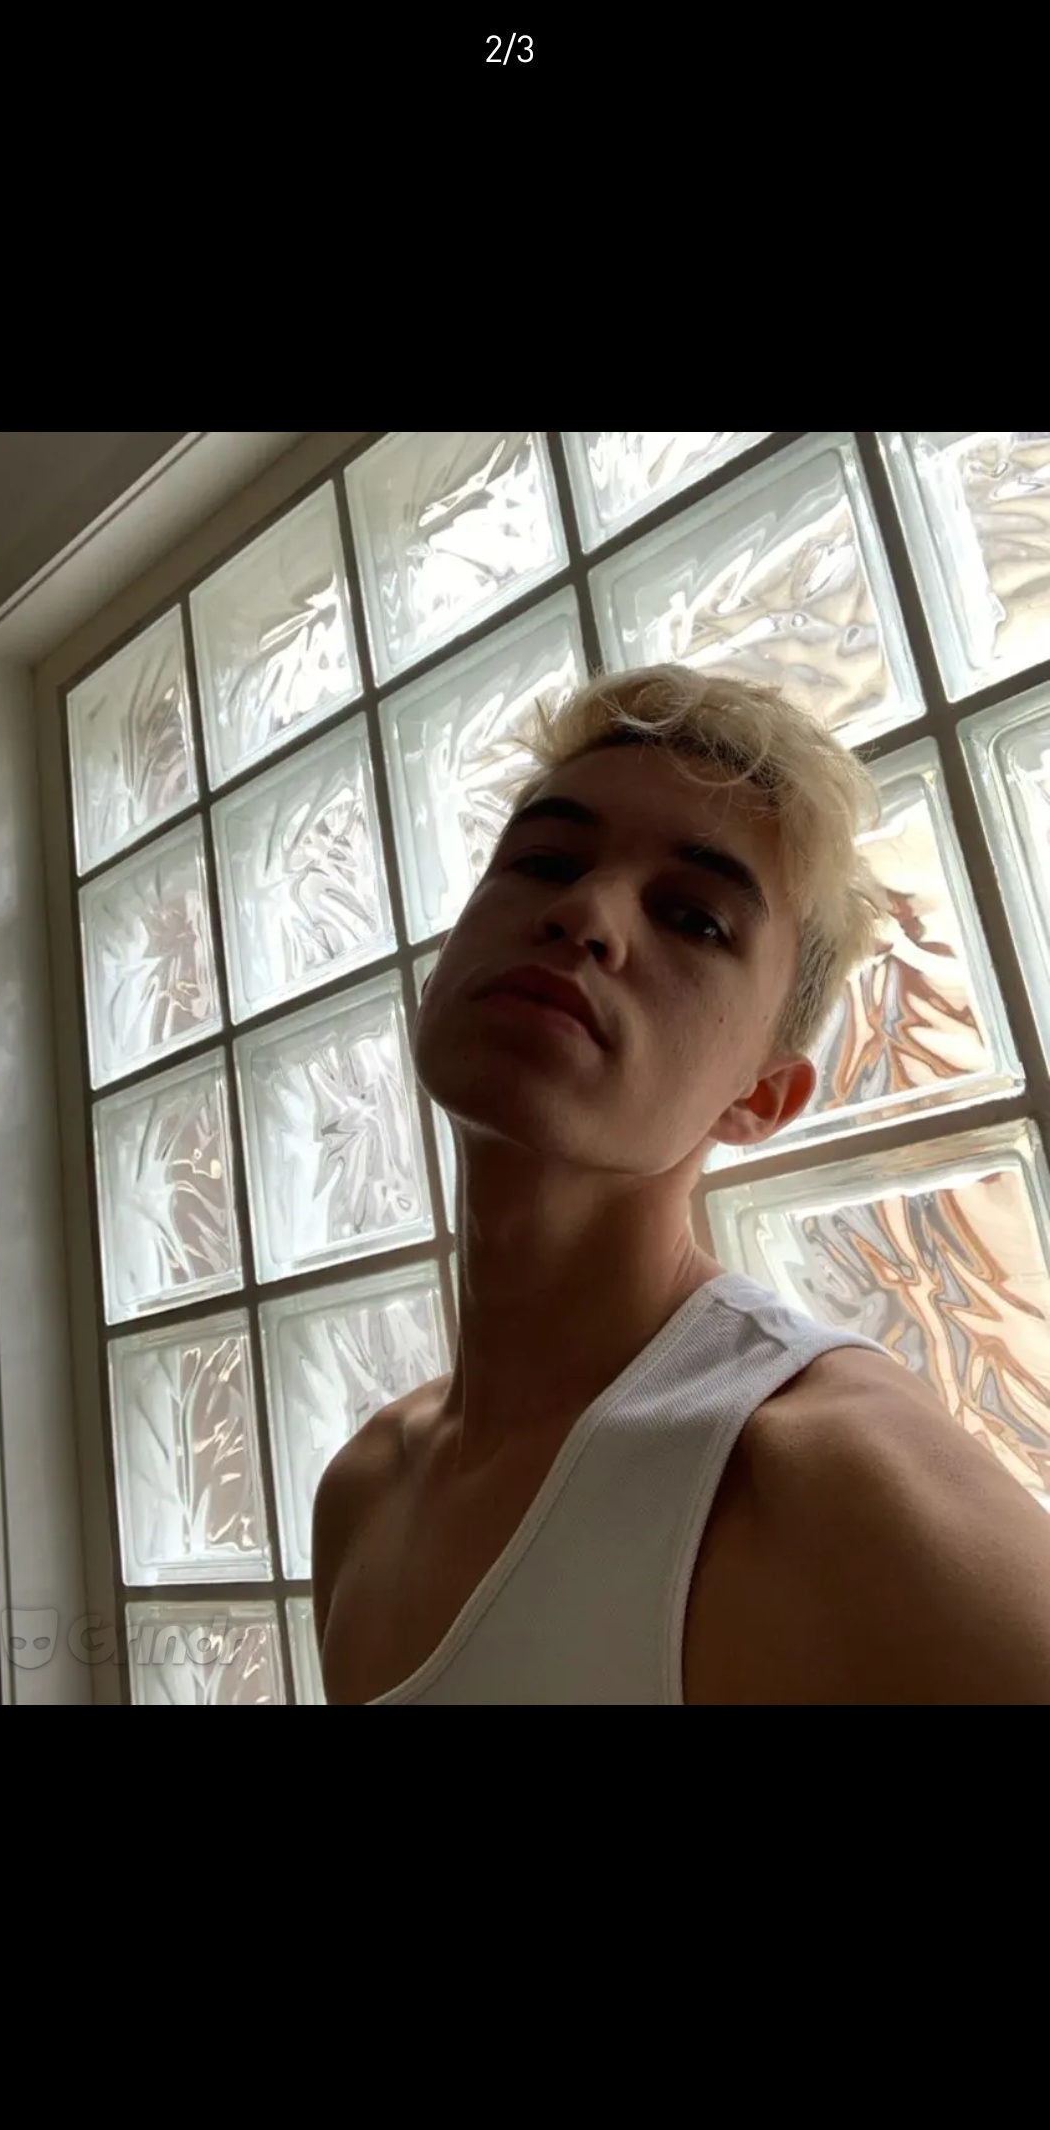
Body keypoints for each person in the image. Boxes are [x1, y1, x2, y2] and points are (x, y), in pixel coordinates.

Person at [312, 664, 1050, 1705]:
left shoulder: (820, 1467)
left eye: (696, 919)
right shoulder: (362, 1490)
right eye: (543, 861)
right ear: (443, 966)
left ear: (761, 1097)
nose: (585, 912)